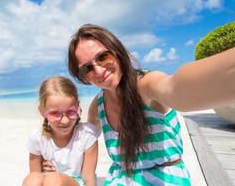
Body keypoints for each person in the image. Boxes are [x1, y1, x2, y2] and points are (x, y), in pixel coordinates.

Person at [63, 24, 235, 185]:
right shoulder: (98, 105)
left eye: (103, 57)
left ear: (117, 51)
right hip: (119, 179)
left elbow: (177, 89)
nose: (99, 70)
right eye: (87, 69)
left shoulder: (146, 85)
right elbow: (82, 140)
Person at [22, 76, 99, 186]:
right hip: (49, 181)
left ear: (78, 107)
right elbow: (35, 174)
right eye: (55, 114)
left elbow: (89, 180)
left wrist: (54, 177)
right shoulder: (37, 138)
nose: (65, 120)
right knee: (32, 179)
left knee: (53, 180)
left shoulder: (87, 135)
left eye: (71, 112)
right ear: (42, 111)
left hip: (77, 182)